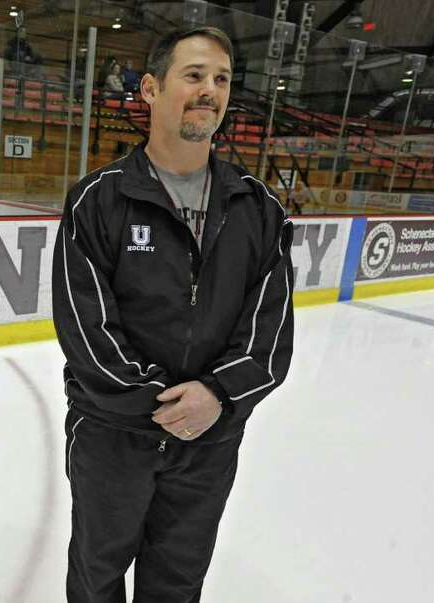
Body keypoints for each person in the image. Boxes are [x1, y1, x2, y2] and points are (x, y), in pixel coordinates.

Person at [52, 26, 294, 602]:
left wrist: (216, 396)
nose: (210, 90)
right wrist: (162, 402)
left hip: (211, 438)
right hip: (113, 435)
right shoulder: (100, 199)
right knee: (97, 574)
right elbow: (85, 329)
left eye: (221, 79)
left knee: (178, 582)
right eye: (194, 76)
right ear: (151, 89)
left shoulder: (260, 209)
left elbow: (270, 335)